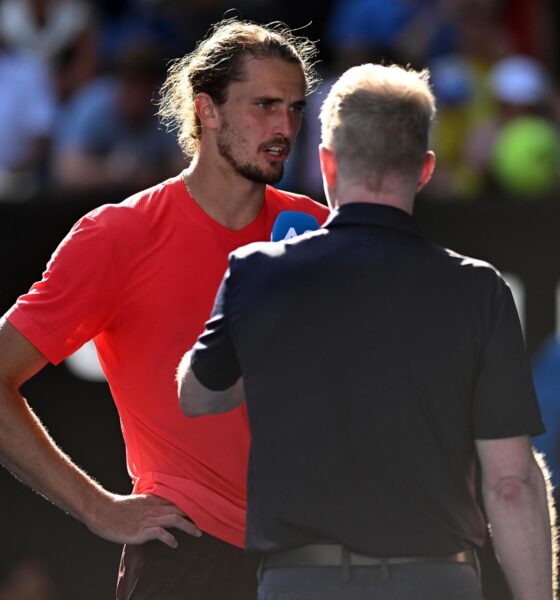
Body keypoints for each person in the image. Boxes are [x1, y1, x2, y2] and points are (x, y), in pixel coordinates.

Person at [178, 63, 555, 599]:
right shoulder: (479, 290)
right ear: (424, 169)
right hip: (437, 583)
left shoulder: (256, 273)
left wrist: (257, 321)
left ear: (326, 164)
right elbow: (512, 483)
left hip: (301, 584)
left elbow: (197, 396)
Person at [0, 18, 329, 600]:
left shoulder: (319, 230)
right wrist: (96, 507)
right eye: (264, 105)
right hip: (188, 558)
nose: (285, 128)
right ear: (207, 110)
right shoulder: (118, 236)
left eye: (296, 109)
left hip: (316, 556)